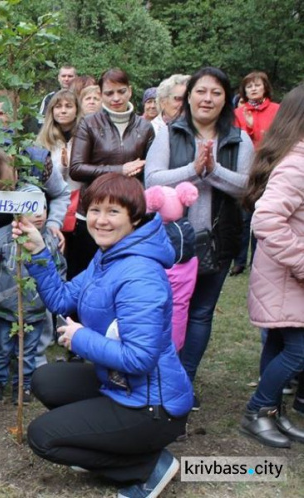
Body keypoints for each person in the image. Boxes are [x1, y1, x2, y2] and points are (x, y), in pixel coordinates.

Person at [16, 173, 193, 498]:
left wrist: (81, 338)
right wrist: (40, 252)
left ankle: (146, 467)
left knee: (42, 437)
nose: (101, 220)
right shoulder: (108, 256)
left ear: (135, 217)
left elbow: (140, 358)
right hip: (120, 383)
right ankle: (105, 441)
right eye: (95, 210)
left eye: (113, 212)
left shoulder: (140, 275)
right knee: (45, 380)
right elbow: (62, 300)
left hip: (152, 408)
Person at [145, 67, 253, 404]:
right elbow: (152, 180)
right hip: (170, 243)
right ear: (189, 95)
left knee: (201, 313)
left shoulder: (238, 139)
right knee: (164, 310)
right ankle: (158, 374)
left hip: (219, 239)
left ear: (226, 100)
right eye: (201, 91)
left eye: (216, 93)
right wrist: (193, 169)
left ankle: (183, 381)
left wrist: (213, 170)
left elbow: (247, 187)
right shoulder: (169, 134)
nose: (207, 99)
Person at [0, 139, 69, 386]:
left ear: (14, 163)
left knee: (41, 296)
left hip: (37, 235)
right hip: (0, 237)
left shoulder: (39, 161)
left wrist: (52, 225)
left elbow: (61, 193)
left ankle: (36, 363)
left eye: (9, 184)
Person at [240, 84, 304, 448]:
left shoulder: (294, 155)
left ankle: (272, 414)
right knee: (298, 351)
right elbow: (265, 221)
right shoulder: (298, 162)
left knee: (281, 344)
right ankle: (257, 410)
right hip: (287, 277)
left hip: (283, 277)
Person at [0, 184, 66, 404]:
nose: (38, 214)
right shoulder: (1, 238)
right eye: (31, 208)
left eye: (42, 208)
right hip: (6, 309)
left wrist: (61, 296)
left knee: (28, 351)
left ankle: (24, 386)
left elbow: (59, 270)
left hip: (35, 310)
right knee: (1, 348)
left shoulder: (50, 242)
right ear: (16, 210)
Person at [69, 67, 155, 278]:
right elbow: (76, 168)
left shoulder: (145, 128)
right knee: (84, 274)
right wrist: (120, 170)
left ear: (130, 91)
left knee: (122, 275)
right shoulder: (89, 124)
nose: (116, 98)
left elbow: (150, 172)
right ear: (100, 94)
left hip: (128, 212)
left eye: (121, 91)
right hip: (93, 209)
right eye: (109, 93)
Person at [230, 71, 280, 277]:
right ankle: (239, 261)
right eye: (249, 86)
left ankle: (258, 260)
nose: (253, 89)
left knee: (264, 215)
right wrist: (249, 128)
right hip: (246, 171)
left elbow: (280, 136)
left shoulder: (277, 110)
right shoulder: (238, 113)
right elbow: (236, 141)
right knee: (243, 217)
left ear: (265, 88)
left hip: (270, 169)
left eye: (257, 85)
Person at [144, 183, 199, 352]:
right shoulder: (188, 231)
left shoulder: (156, 235)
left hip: (153, 329)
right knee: (179, 311)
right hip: (181, 303)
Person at [36, 89, 82, 279]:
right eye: (58, 106)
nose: (63, 111)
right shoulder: (42, 141)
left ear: (76, 110)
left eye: (68, 106)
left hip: (79, 208)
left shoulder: (84, 138)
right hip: (52, 208)